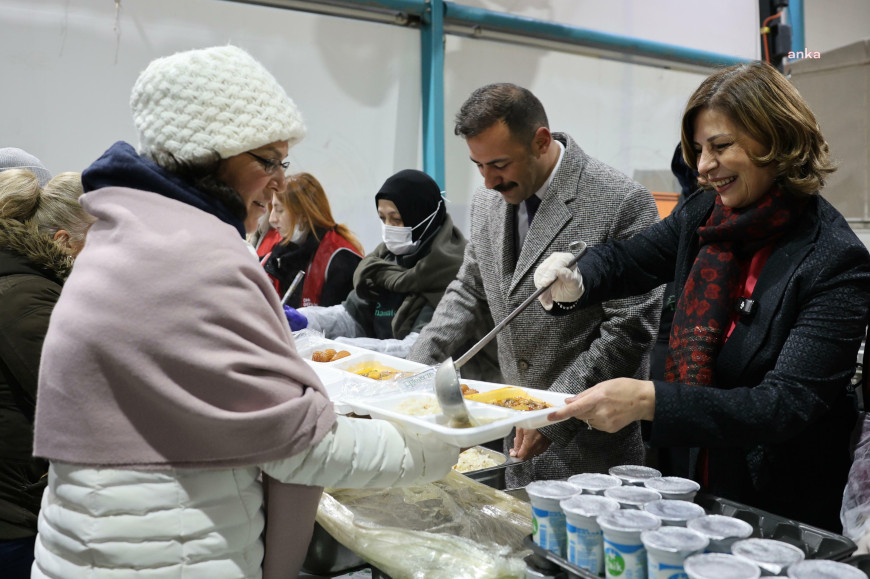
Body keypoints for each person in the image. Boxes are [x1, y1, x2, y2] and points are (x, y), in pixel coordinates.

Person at [30, 46, 459, 579]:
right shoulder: (201, 253)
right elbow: (295, 444)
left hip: (95, 542)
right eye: (267, 160)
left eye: (285, 161)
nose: (279, 181)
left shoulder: (126, 233)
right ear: (208, 155)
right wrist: (437, 444)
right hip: (172, 550)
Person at [538, 61, 870, 532]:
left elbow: (785, 404)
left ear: (775, 139)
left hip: (775, 500)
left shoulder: (834, 260)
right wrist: (579, 276)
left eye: (720, 146)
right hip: (690, 474)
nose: (703, 166)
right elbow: (632, 260)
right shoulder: (703, 215)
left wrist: (652, 401)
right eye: (697, 149)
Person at [408, 83, 663, 488]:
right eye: (479, 165)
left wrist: (553, 414)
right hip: (516, 436)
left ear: (541, 141)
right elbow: (468, 291)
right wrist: (412, 371)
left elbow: (630, 330)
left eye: (500, 164)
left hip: (590, 447)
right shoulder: (486, 203)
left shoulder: (620, 201)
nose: (489, 180)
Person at [295, 169, 500, 379]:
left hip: (450, 385)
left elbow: (418, 348)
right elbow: (352, 317)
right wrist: (305, 320)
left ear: (422, 216)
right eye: (383, 218)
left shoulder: (449, 267)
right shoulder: (383, 261)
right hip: (385, 378)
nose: (388, 228)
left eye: (397, 219)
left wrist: (347, 350)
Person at [0, 169, 93, 579]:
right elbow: (76, 400)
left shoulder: (25, 285)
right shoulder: (28, 296)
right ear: (62, 241)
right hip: (14, 513)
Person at [263, 172, 363, 307]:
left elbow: (344, 322)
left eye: (279, 210)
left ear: (304, 213)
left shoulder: (341, 257)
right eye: (272, 210)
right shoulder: (278, 253)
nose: (272, 219)